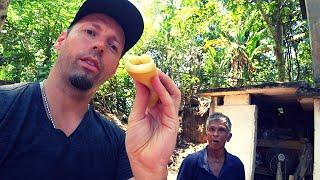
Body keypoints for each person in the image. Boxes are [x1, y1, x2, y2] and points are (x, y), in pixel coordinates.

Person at [0, 0, 181, 179]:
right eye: (90, 32)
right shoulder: (5, 104)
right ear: (61, 40)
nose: (100, 46)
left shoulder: (121, 146)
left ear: (115, 68)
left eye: (113, 46)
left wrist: (151, 171)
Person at [177, 112, 245, 180]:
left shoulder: (236, 165)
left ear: (229, 137)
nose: (215, 134)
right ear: (206, 135)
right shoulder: (191, 162)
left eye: (221, 130)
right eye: (212, 129)